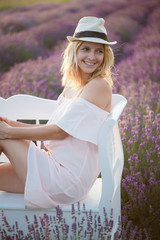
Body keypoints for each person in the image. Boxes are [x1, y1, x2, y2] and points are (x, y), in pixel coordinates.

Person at [0, 16, 117, 208]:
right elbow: (52, 127)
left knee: (3, 136)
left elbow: (59, 132)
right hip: (52, 166)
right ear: (74, 51)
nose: (92, 56)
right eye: (85, 49)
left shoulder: (99, 85)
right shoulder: (73, 86)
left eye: (99, 51)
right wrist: (11, 124)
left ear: (106, 55)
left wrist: (8, 132)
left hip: (67, 179)